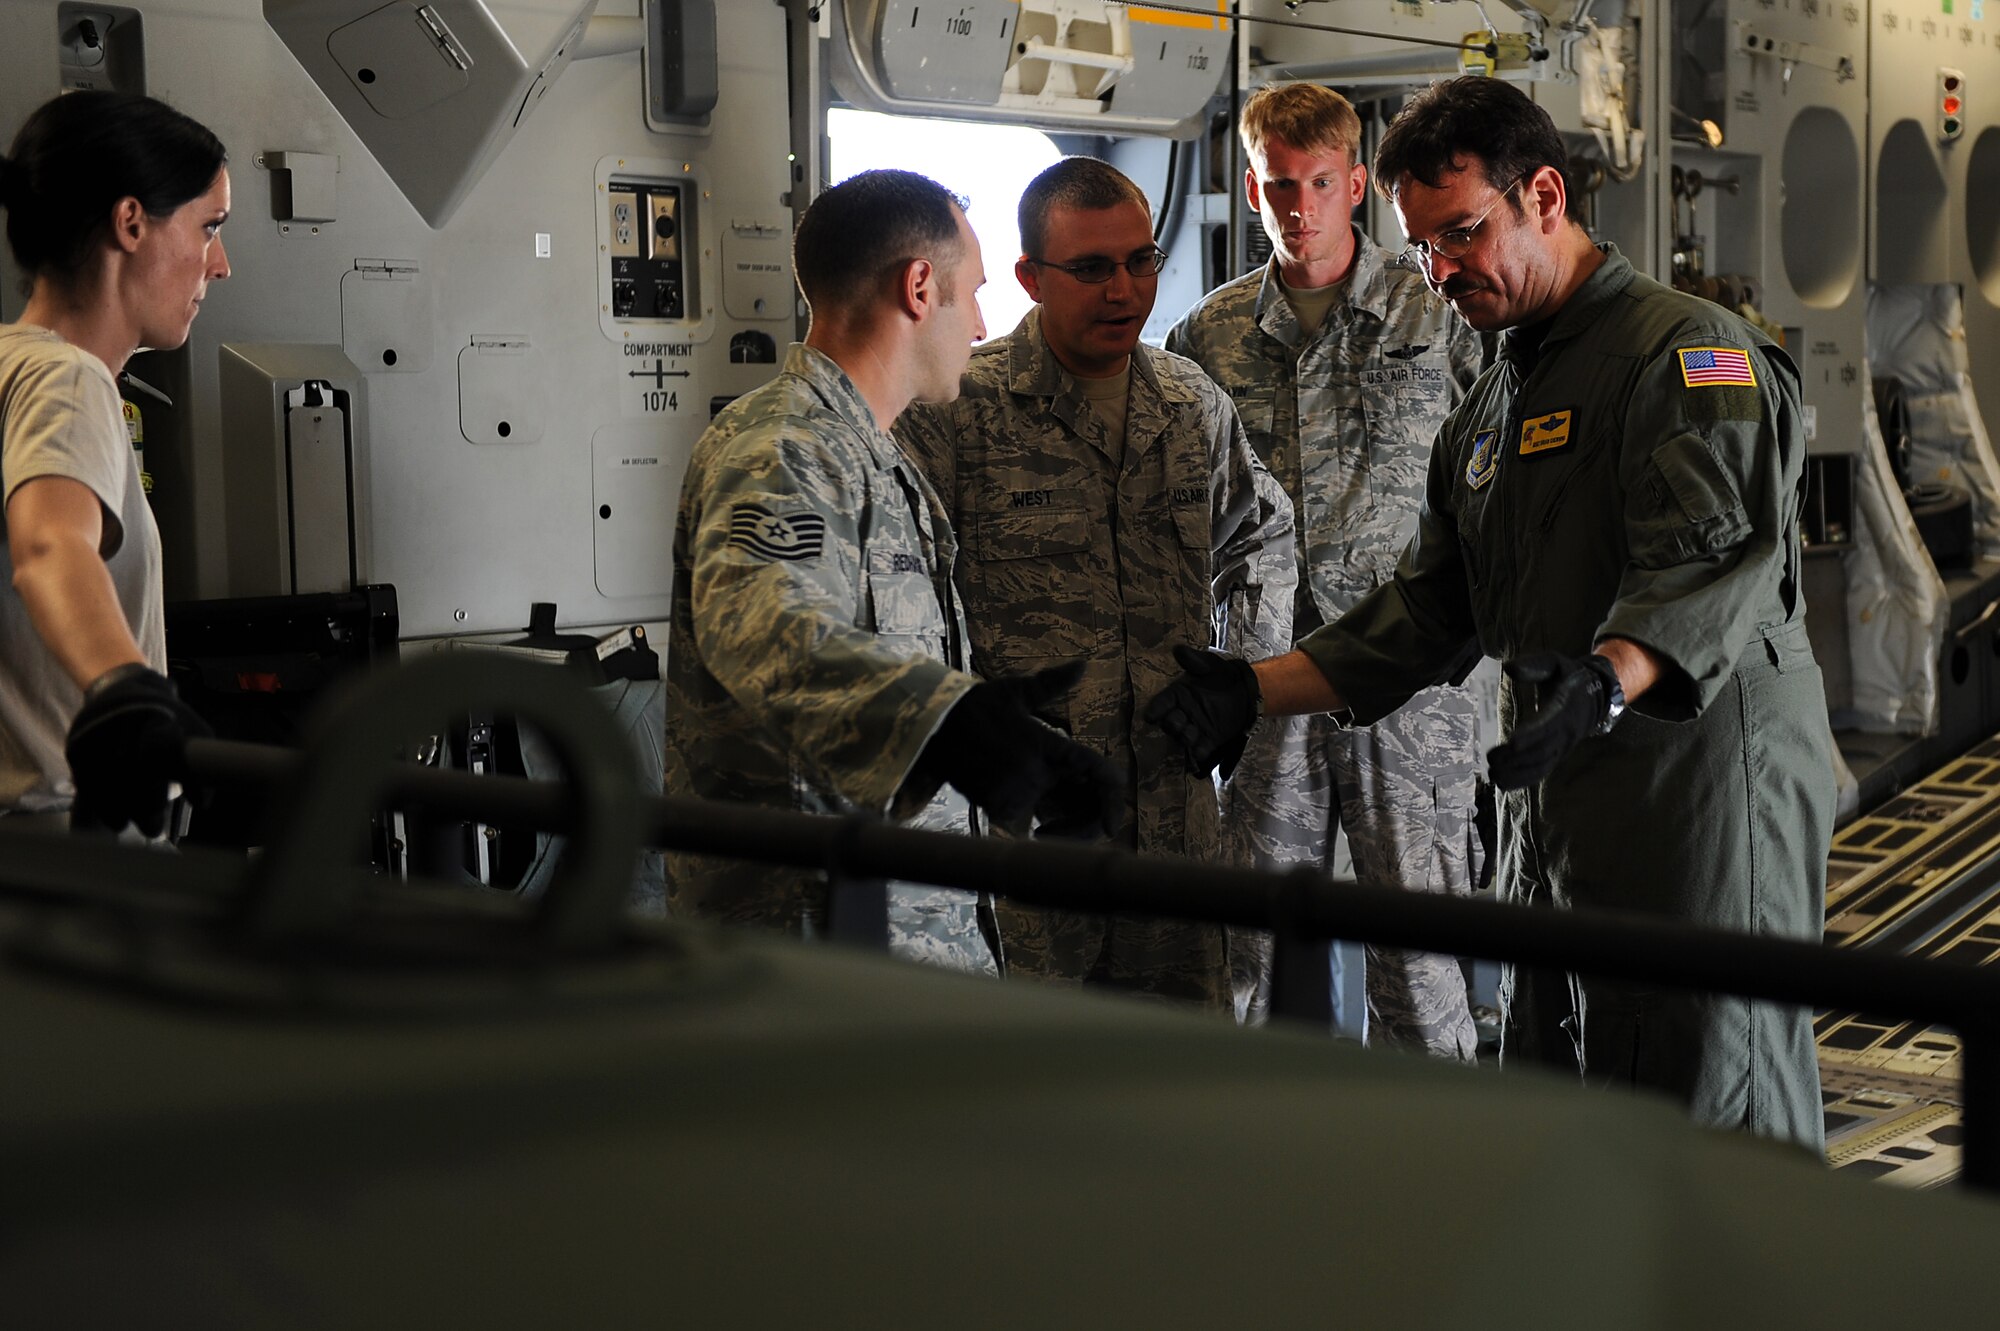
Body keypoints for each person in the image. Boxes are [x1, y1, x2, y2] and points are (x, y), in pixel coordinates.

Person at [1147, 76, 1834, 1148]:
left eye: (1463, 234)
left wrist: (1605, 676)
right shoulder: (1495, 396)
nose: (1440, 269)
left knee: (1705, 1085)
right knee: (1559, 1066)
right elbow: (1431, 606)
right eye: (1422, 246)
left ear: (1546, 196)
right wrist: (1251, 687)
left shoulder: (1684, 354)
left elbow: (1711, 560)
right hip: (1555, 777)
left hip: (1689, 779)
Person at [664, 169, 1120, 975]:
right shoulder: (786, 449)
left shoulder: (873, 456)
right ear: (919, 287)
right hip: (806, 959)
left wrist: (1018, 750)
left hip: (898, 949)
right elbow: (761, 628)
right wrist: (952, 721)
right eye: (973, 292)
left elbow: (874, 668)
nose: (983, 325)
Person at [895, 157, 1296, 1009]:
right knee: (1045, 1088)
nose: (1124, 290)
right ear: (1031, 279)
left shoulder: (1189, 403)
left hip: (1176, 817)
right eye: (1092, 269)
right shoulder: (963, 412)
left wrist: (1244, 679)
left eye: (1140, 261)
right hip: (1039, 825)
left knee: (1182, 1084)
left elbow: (1264, 533)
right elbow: (902, 595)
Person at [1164, 82, 1487, 1047]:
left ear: (1356, 184)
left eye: (1317, 183)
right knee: (1249, 962)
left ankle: (1432, 1179)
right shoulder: (1207, 337)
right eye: (1275, 186)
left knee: (1421, 965)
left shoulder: (1443, 316)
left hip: (1412, 690)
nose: (1297, 208)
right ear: (1252, 191)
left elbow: (1500, 487)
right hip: (1264, 686)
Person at [0, 91, 228, 836]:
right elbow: (50, 543)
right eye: (210, 227)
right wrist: (124, 688)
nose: (218, 266)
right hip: (71, 836)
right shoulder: (66, 378)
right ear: (131, 223)